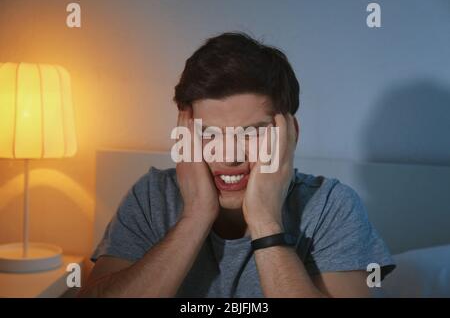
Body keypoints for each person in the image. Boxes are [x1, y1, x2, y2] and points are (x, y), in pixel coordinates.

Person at [79, 32, 395, 298]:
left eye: (253, 132)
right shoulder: (150, 196)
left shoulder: (331, 206)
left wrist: (265, 222)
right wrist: (195, 216)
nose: (230, 157)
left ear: (290, 136)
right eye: (209, 133)